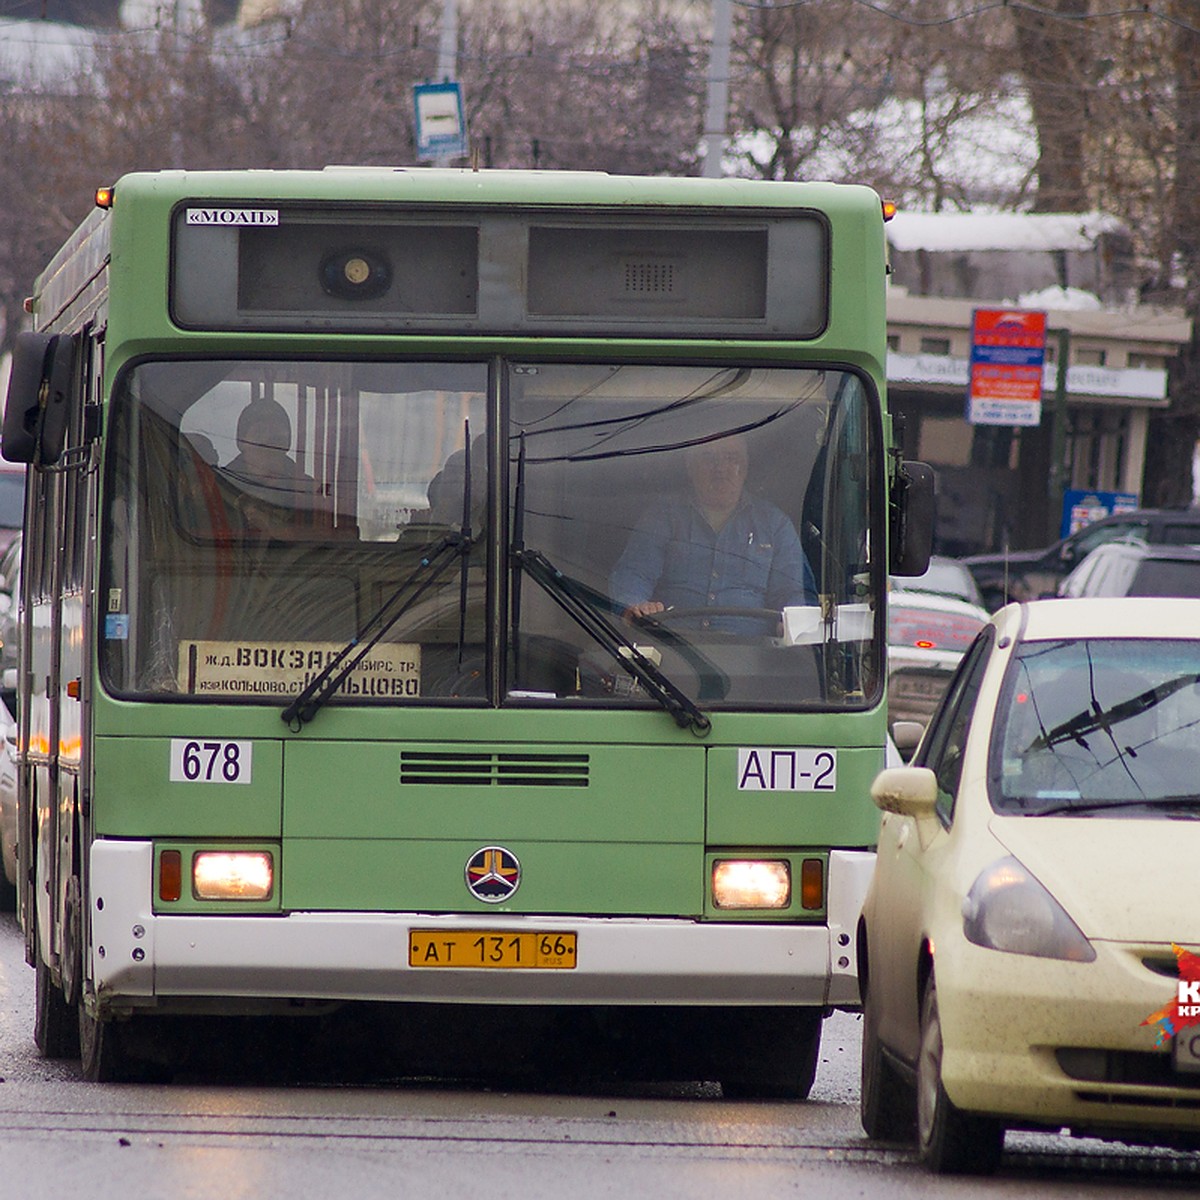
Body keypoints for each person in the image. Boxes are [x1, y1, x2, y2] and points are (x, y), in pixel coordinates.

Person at [609, 434, 817, 633]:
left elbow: (796, 593)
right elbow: (633, 573)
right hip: (672, 654)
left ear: (745, 467)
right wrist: (634, 607)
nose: (721, 468)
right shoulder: (663, 516)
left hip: (755, 659)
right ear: (689, 466)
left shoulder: (775, 524)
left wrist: (792, 625)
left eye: (731, 458)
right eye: (708, 457)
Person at [224, 397, 331, 538]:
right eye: (259, 432)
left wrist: (276, 527)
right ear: (242, 441)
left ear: (287, 443)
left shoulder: (309, 491)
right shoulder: (220, 486)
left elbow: (325, 542)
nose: (268, 440)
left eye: (277, 434)